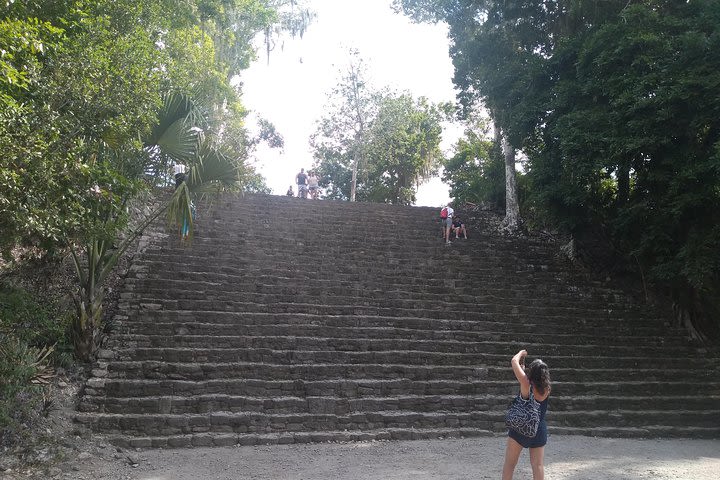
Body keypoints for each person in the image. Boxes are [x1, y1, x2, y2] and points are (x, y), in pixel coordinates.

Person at [502, 349, 551, 480]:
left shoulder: (525, 383)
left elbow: (514, 361)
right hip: (538, 428)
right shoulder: (546, 388)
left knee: (510, 464)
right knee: (538, 466)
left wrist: (521, 353)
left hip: (520, 427)